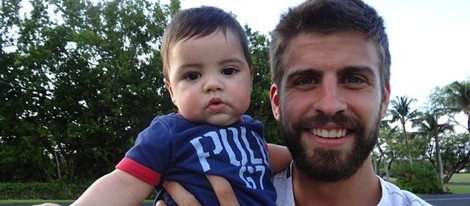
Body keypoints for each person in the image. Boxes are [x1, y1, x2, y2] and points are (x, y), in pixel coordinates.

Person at [156, 0, 432, 205]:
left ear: (384, 99)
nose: (329, 104)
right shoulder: (200, 196)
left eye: (354, 79)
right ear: (276, 102)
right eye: (305, 81)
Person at [68, 6, 290, 206]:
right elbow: (124, 182)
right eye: (192, 75)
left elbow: (266, 154)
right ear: (172, 90)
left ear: (249, 78)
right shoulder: (169, 133)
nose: (213, 84)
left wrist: (299, 153)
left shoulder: (250, 133)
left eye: (229, 71)